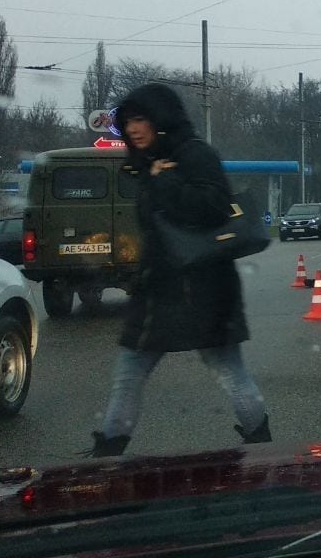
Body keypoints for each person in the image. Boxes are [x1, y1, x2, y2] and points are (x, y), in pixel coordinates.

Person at [88, 83, 270, 458]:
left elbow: (213, 207)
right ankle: (107, 456)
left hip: (203, 289)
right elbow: (158, 232)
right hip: (158, 291)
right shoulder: (147, 162)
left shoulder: (194, 154)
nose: (133, 128)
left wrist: (164, 180)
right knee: (129, 372)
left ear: (162, 118)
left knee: (229, 372)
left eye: (141, 118)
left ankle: (263, 449)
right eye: (127, 122)